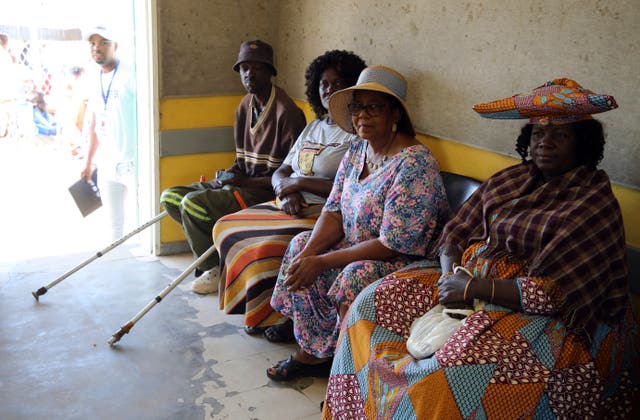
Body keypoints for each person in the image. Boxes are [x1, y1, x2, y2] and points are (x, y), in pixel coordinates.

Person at [322, 78, 639, 419]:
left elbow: (557, 293)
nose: (545, 143)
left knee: (452, 369)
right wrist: (449, 282)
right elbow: (455, 234)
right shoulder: (512, 179)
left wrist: (474, 288)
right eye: (537, 134)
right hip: (465, 282)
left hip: (536, 309)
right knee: (368, 305)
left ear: (583, 144)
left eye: (560, 135)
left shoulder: (592, 202)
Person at [265, 65, 450, 381]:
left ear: (395, 114)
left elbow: (394, 243)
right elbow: (334, 211)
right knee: (299, 246)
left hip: (404, 261)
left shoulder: (415, 164)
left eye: (373, 107)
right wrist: (310, 254)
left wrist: (322, 261)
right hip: (358, 247)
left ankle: (347, 367)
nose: (362, 115)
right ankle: (316, 351)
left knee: (354, 276)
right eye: (357, 107)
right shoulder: (356, 152)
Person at [211, 50, 366, 340]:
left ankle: (273, 316)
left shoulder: (356, 133)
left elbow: (347, 188)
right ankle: (254, 304)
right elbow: (281, 170)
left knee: (258, 246)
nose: (329, 89)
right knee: (225, 226)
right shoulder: (314, 126)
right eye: (323, 83)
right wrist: (286, 190)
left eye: (337, 83)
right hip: (291, 203)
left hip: (325, 211)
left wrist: (298, 185)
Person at [160, 40, 307, 294]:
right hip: (243, 183)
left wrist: (241, 182)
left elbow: (289, 176)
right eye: (244, 68)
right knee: (171, 197)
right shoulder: (244, 107)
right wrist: (229, 175)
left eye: (257, 68)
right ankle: (221, 255)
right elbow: (242, 162)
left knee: (192, 204)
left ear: (270, 71)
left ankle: (214, 269)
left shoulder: (287, 112)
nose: (249, 74)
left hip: (266, 193)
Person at [81, 25, 137, 241]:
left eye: (103, 42)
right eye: (93, 43)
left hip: (132, 162)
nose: (97, 48)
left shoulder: (131, 74)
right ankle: (119, 263)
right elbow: (95, 121)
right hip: (107, 163)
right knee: (114, 225)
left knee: (140, 225)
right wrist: (88, 163)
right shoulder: (93, 78)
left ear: (115, 46)